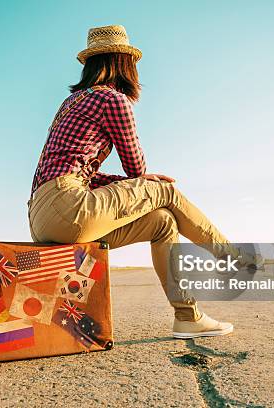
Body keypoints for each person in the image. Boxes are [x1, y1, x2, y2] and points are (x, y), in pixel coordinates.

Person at [28, 25, 236, 339]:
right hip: (68, 205)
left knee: (162, 222)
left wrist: (132, 183)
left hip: (46, 215)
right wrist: (143, 181)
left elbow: (83, 174)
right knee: (165, 191)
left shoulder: (70, 103)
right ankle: (231, 256)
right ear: (125, 63)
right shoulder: (111, 99)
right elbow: (136, 165)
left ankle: (188, 316)